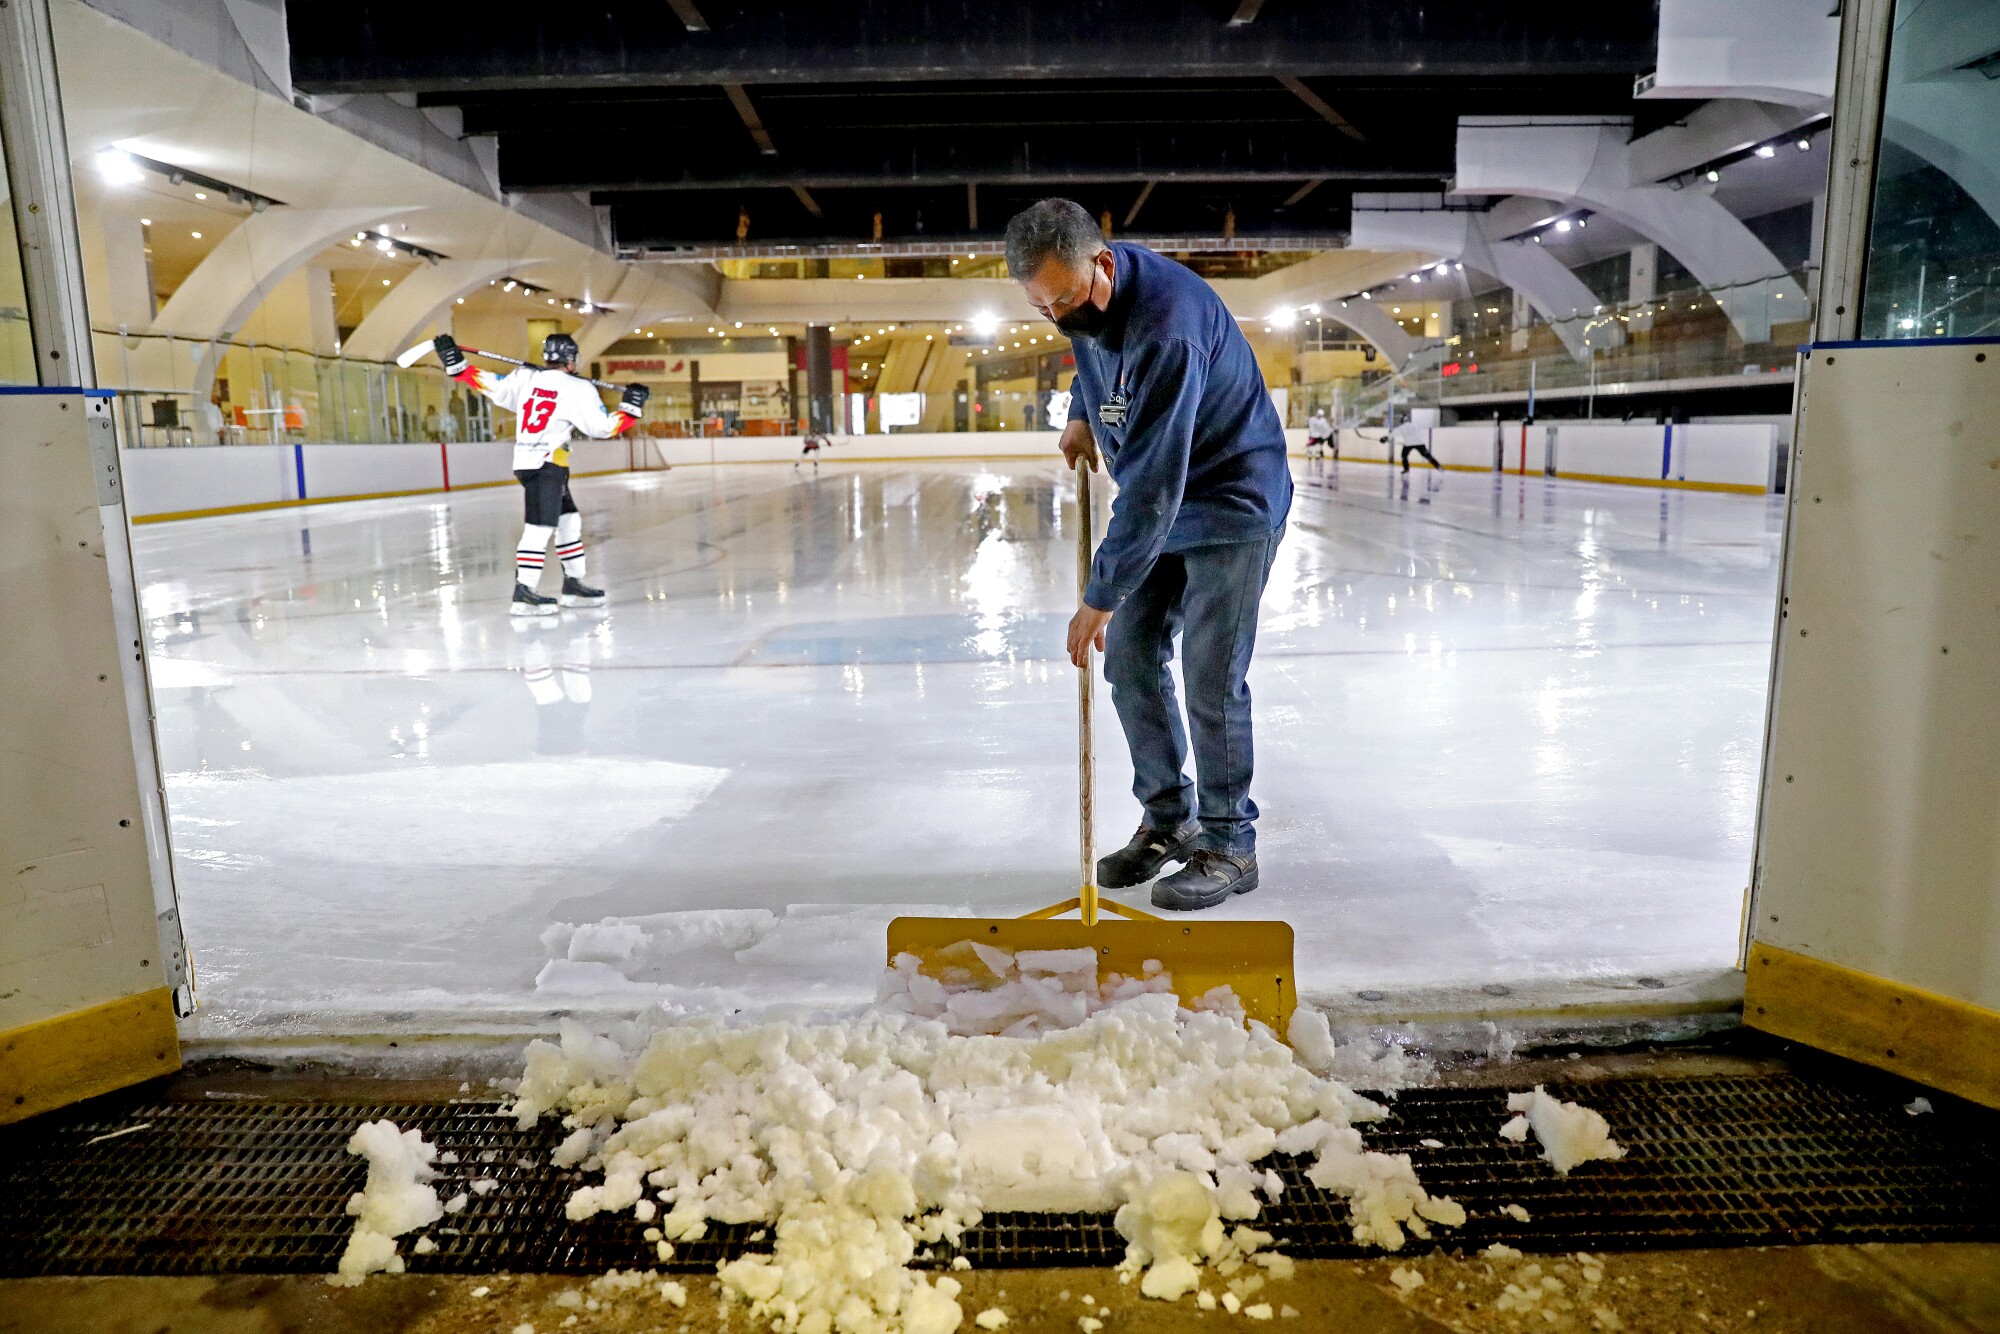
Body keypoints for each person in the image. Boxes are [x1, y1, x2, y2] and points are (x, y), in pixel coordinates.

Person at [1005, 198, 1292, 911]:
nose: (1059, 318)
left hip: (1230, 501)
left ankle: (1230, 843)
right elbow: (1096, 354)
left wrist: (1100, 594)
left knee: (1210, 675)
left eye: (1065, 301)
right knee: (1130, 656)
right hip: (1170, 497)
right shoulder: (1085, 294)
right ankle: (1169, 818)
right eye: (1044, 309)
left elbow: (1153, 489)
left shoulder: (1169, 327)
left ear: (1101, 265)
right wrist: (1079, 412)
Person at [433, 332, 648, 616]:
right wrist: (630, 409)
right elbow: (602, 429)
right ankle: (524, 593)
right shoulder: (578, 388)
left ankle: (573, 583)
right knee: (540, 528)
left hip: (532, 462)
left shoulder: (526, 378)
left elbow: (493, 387)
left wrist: (458, 365)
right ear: (571, 360)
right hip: (546, 464)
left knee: (568, 520)